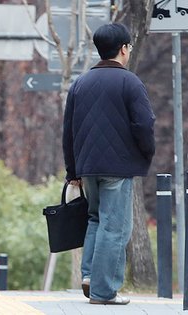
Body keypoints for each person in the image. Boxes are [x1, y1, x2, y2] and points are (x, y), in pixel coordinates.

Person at [62, 23, 155, 305]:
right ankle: (104, 291)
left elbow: (69, 131)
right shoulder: (130, 83)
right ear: (124, 49)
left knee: (96, 219)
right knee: (116, 227)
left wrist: (72, 171)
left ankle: (90, 275)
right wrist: (145, 153)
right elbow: (145, 124)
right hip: (118, 166)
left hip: (87, 166)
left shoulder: (80, 83)